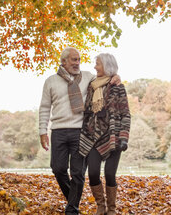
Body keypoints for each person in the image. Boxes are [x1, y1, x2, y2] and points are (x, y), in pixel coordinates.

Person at [39, 47, 120, 215]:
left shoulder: (88, 78)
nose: (77, 63)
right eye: (74, 60)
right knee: (58, 168)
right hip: (58, 131)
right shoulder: (51, 81)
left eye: (79, 60)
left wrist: (116, 77)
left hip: (81, 132)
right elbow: (45, 108)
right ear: (63, 61)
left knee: (77, 172)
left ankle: (72, 210)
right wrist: (42, 131)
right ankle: (72, 199)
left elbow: (105, 79)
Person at [79, 53, 131, 215]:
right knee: (93, 173)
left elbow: (125, 114)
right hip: (93, 137)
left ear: (107, 66)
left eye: (98, 64)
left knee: (110, 174)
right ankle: (101, 206)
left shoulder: (118, 87)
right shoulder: (91, 86)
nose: (95, 67)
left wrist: (124, 137)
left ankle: (112, 209)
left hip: (113, 138)